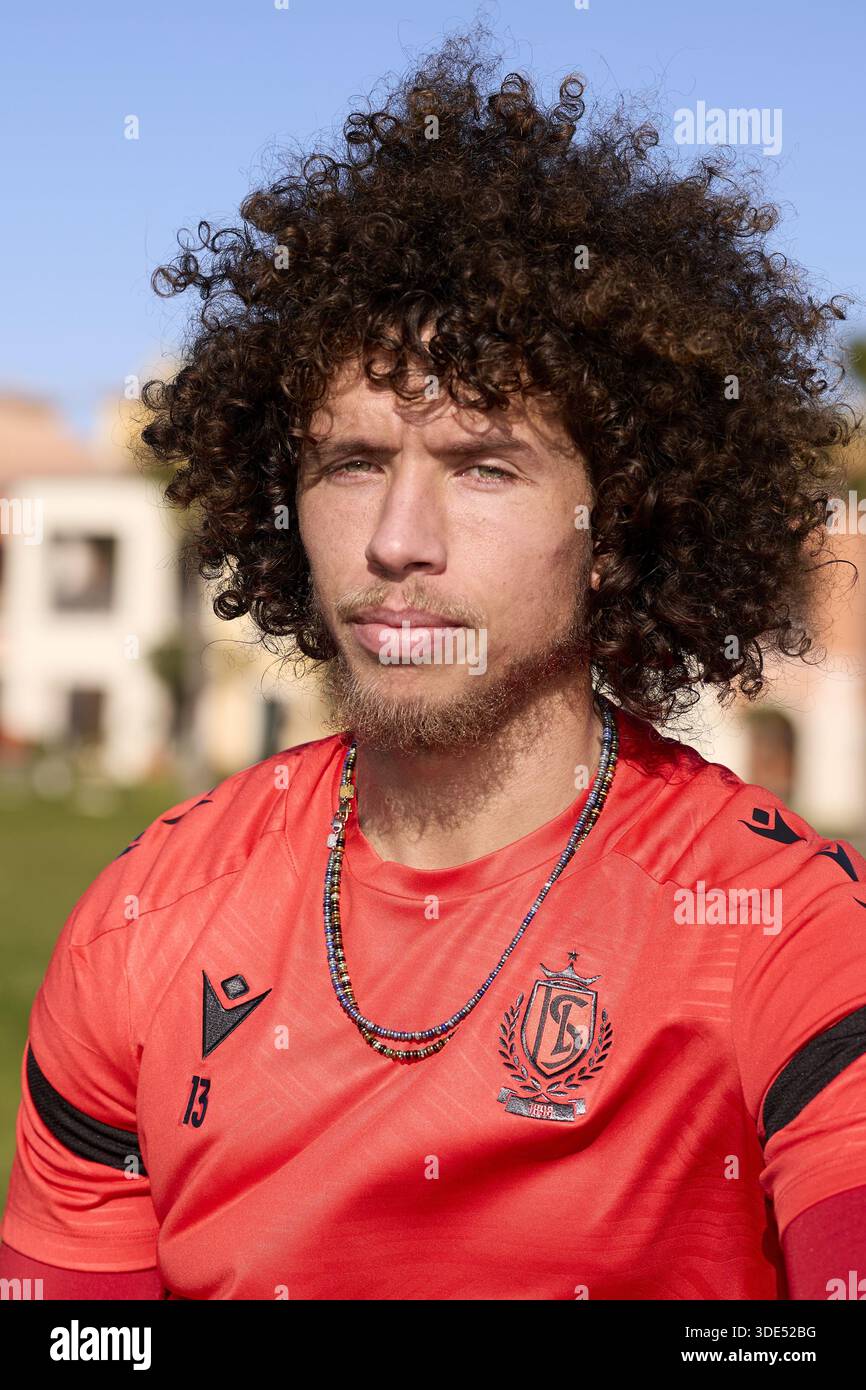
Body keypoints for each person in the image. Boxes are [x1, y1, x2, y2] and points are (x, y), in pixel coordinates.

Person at [2, 30, 865, 1301]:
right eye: (351, 463)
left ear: (615, 524)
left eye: (482, 466)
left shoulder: (783, 928)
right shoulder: (140, 925)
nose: (395, 544)